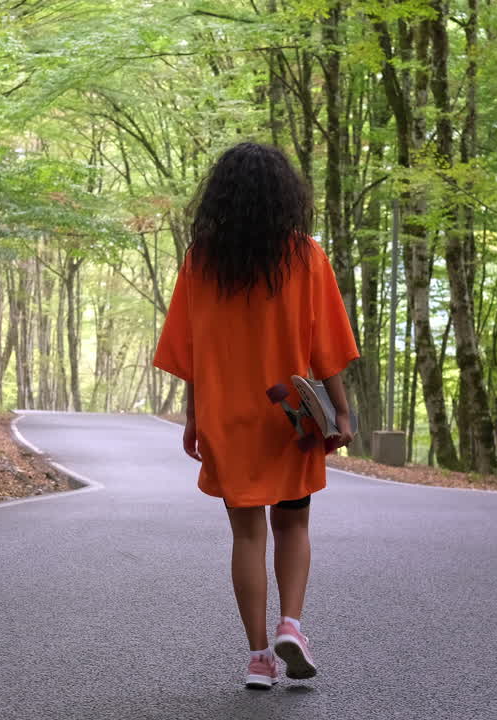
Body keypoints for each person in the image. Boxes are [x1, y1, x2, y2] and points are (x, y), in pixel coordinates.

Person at [153, 142, 360, 689]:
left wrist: (194, 416)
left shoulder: (202, 260)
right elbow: (327, 347)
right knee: (293, 521)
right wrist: (340, 408)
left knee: (247, 536)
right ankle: (292, 623)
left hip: (228, 415)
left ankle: (258, 656)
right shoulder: (306, 257)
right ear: (284, 196)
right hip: (288, 417)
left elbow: (190, 350)